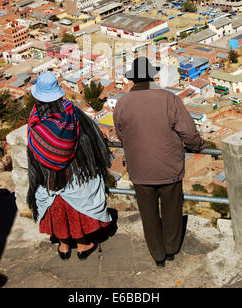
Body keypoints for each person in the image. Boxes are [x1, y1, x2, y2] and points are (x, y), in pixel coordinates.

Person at [113, 57, 206, 268]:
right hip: (168, 166)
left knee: (148, 213)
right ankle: (172, 249)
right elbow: (188, 132)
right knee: (172, 209)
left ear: (132, 80)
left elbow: (121, 134)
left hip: (139, 169)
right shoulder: (168, 99)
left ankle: (158, 256)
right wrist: (199, 145)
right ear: (152, 76)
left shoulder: (122, 103)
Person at [27, 71, 113, 261]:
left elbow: (33, 149)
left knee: (56, 208)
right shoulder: (71, 112)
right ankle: (83, 245)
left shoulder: (35, 118)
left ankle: (64, 246)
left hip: (49, 178)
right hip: (74, 174)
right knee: (76, 207)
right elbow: (91, 135)